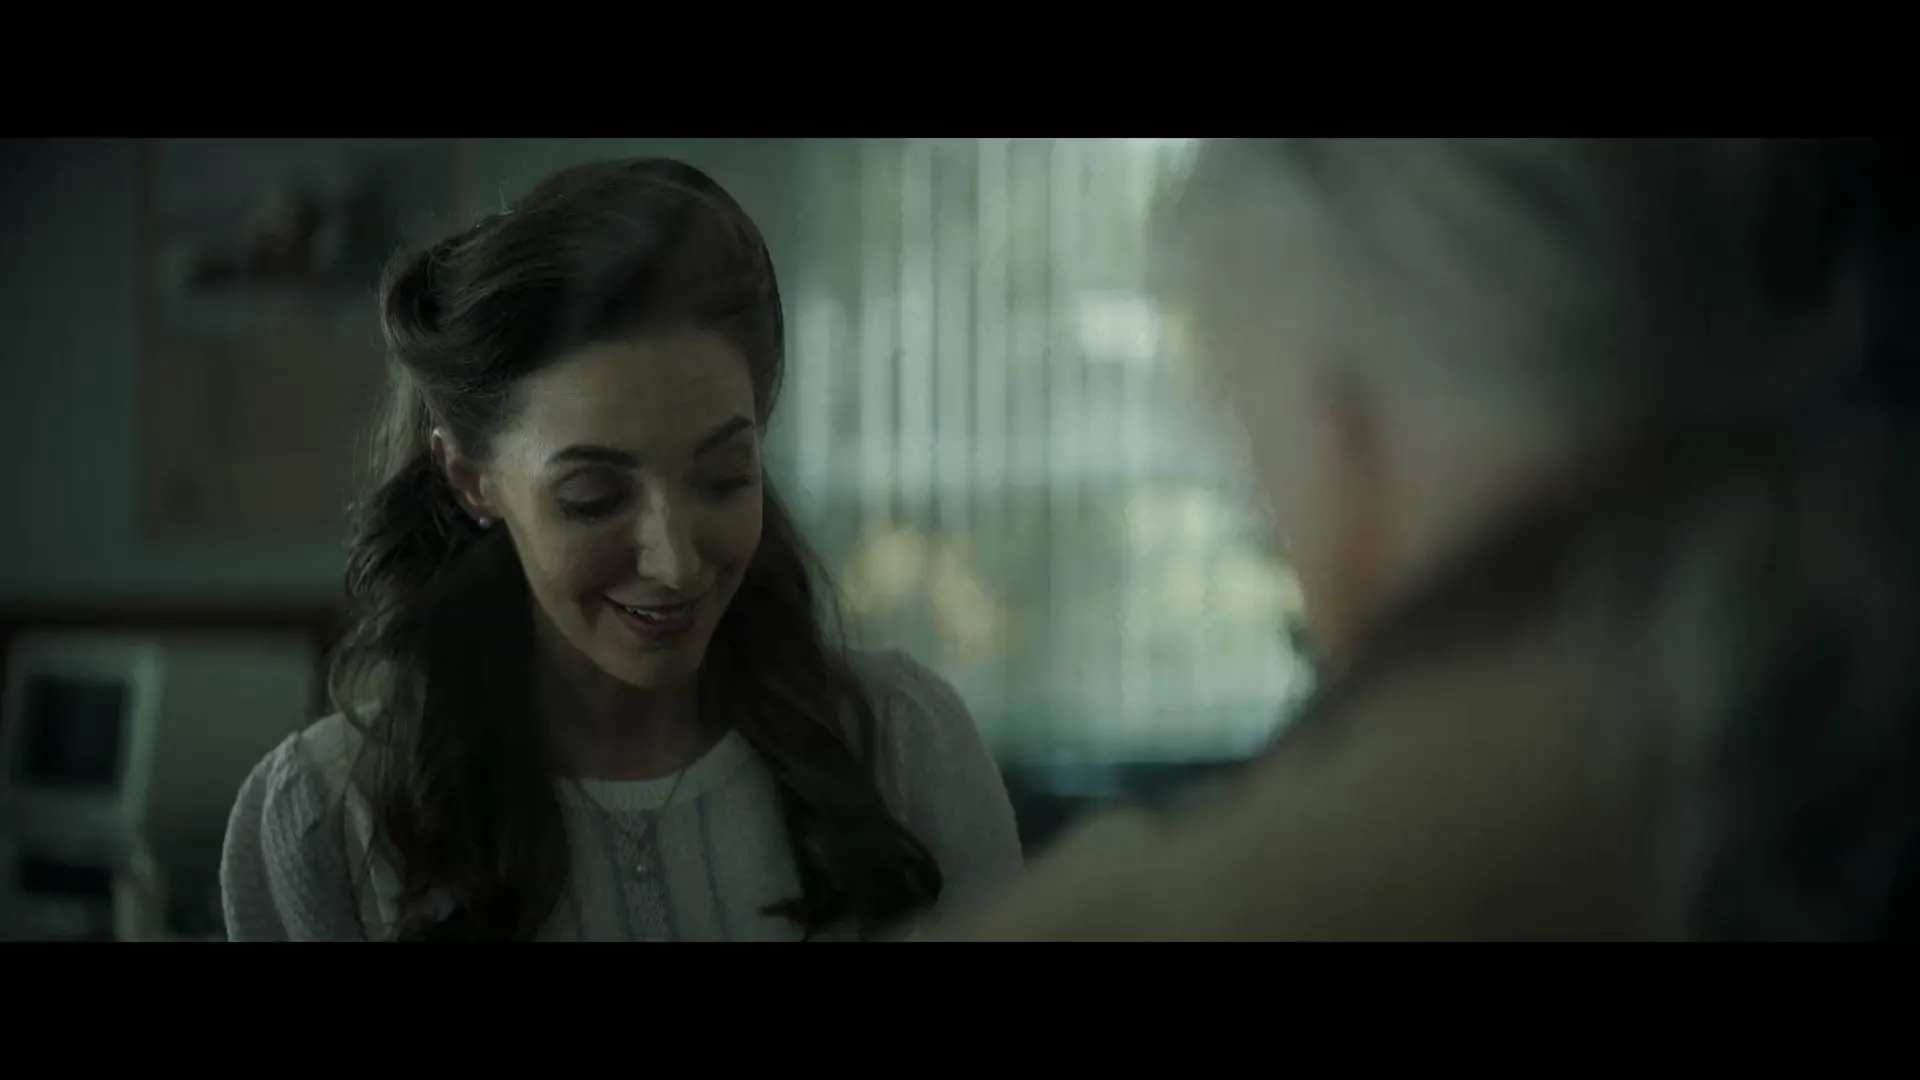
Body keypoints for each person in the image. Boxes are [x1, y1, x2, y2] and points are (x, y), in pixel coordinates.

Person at [921, 138, 1920, 940]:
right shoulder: (1839, 641)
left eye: (1257, 455)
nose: (1278, 543)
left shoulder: (1279, 891)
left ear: (1345, 420)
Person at [220, 158, 1022, 941]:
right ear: (471, 482)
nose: (675, 563)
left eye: (723, 478)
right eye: (594, 499)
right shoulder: (327, 819)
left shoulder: (905, 747)